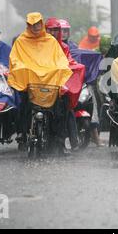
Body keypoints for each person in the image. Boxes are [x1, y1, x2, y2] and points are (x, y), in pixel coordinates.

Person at [8, 13, 73, 155]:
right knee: (22, 106)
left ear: (41, 23)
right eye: (32, 24)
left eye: (38, 23)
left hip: (50, 84)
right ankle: (22, 134)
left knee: (62, 107)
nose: (35, 27)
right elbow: (15, 60)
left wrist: (60, 71)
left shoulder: (50, 41)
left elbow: (60, 60)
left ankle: (60, 141)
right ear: (28, 25)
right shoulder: (21, 41)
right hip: (30, 84)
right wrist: (22, 70)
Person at [45, 17, 86, 150]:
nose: (54, 33)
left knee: (67, 108)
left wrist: (78, 67)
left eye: (57, 30)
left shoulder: (65, 47)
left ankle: (66, 142)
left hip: (59, 85)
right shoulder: (40, 46)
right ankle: (26, 137)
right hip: (42, 84)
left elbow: (69, 62)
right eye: (50, 30)